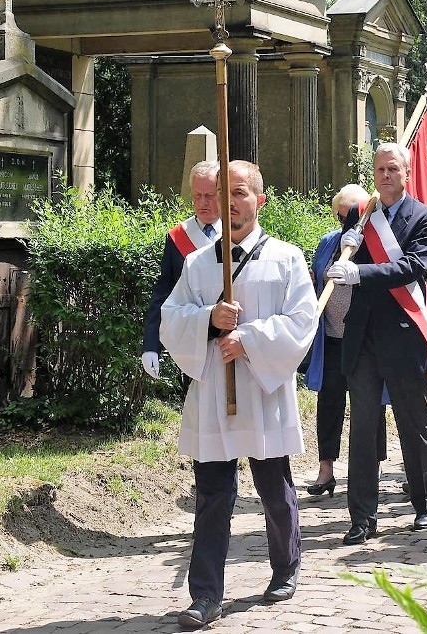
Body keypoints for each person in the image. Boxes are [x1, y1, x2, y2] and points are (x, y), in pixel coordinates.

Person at [160, 160, 317, 627]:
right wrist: (208, 319)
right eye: (224, 192)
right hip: (214, 395)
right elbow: (173, 318)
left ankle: (285, 566)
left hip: (262, 390)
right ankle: (205, 594)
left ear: (260, 200)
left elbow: (302, 321)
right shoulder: (197, 263)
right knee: (212, 495)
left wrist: (248, 338)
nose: (231, 202)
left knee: (273, 487)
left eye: (242, 192)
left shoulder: (285, 258)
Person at [327, 142, 427, 544]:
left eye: (393, 169)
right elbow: (347, 255)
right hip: (363, 336)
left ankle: (425, 503)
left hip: (405, 332)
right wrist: (344, 261)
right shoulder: (362, 214)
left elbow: (411, 266)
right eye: (380, 170)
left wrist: (360, 274)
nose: (386, 175)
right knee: (362, 426)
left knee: (414, 421)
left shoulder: (426, 218)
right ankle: (361, 516)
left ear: (406, 174)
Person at [304, 184, 387, 497]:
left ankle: (373, 465)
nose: (348, 222)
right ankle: (326, 469)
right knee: (329, 402)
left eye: (354, 215)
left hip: (365, 339)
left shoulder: (377, 242)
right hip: (332, 338)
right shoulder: (328, 242)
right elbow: (316, 277)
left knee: (370, 404)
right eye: (343, 216)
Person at [141, 160, 221, 378]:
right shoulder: (178, 237)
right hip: (193, 338)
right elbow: (163, 293)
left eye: (210, 195)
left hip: (230, 340)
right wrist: (151, 344)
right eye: (197, 196)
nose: (203, 202)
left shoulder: (237, 234)